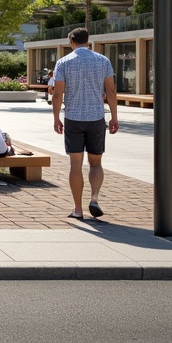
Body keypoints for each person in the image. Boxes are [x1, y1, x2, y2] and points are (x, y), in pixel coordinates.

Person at [50, 28, 118, 221]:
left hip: (73, 118)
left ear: (72, 40)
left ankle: (78, 209)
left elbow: (57, 94)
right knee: (96, 162)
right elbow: (111, 91)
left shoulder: (63, 62)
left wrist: (56, 118)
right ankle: (94, 198)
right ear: (88, 40)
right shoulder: (103, 60)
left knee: (76, 164)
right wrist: (114, 117)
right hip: (96, 117)